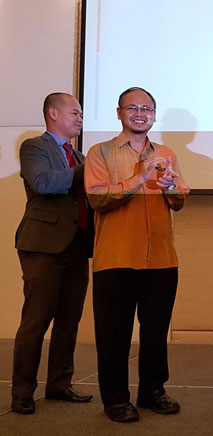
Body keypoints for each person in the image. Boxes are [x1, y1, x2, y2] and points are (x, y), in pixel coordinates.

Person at [84, 87, 188, 422]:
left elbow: (180, 199)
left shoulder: (167, 153)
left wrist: (171, 187)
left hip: (160, 257)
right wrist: (138, 177)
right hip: (116, 257)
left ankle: (153, 391)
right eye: (132, 108)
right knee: (114, 333)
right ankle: (115, 399)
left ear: (154, 115)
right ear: (119, 113)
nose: (139, 114)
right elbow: (97, 198)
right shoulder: (99, 153)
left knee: (155, 332)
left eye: (146, 108)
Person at [12, 93, 94, 414]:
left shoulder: (79, 155)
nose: (80, 119)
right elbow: (44, 183)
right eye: (75, 112)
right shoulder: (35, 147)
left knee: (69, 321)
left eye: (82, 114)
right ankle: (22, 392)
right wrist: (87, 170)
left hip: (78, 246)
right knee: (36, 321)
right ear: (53, 113)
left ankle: (59, 383)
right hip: (42, 246)